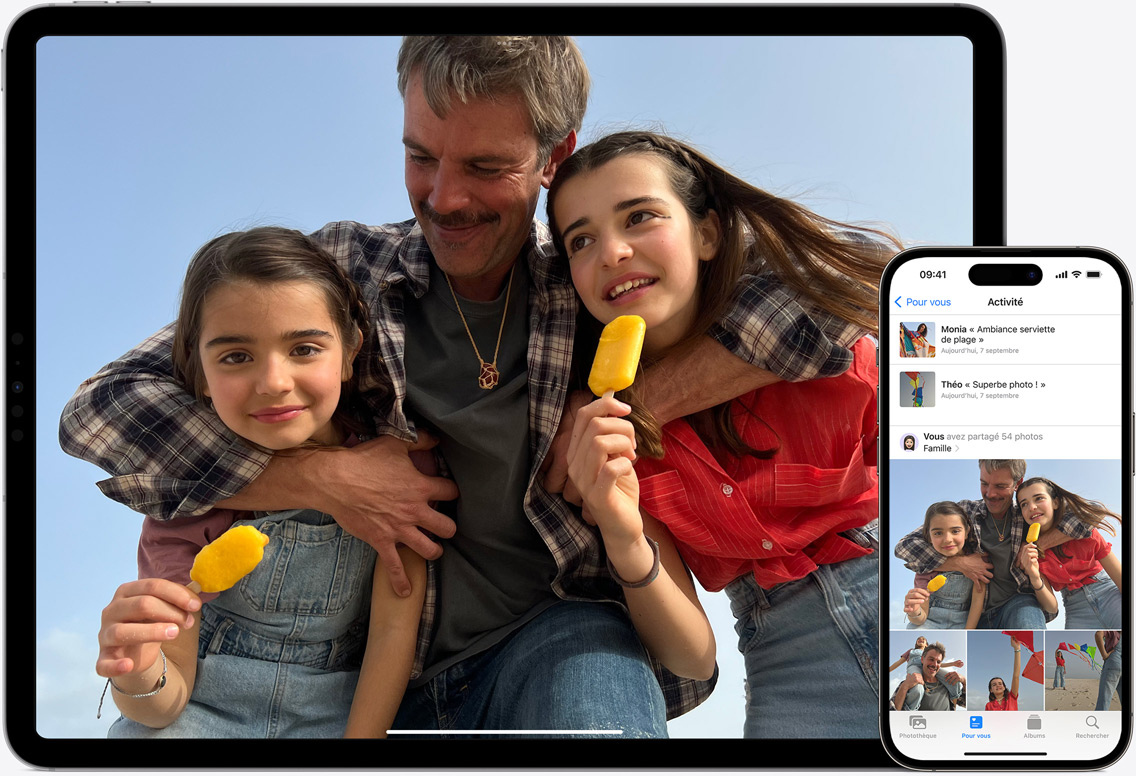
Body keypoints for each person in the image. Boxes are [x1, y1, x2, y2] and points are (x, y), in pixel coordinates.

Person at [61, 37, 872, 736]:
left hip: (553, 633)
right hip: (359, 664)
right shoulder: (347, 273)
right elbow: (100, 410)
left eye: (486, 166)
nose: (443, 198)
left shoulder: (594, 279)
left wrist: (646, 399)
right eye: (420, 156)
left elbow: (837, 299)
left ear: (556, 158)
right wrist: (323, 478)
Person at [547, 130, 895, 738]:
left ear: (706, 234)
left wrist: (648, 397)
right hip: (786, 659)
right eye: (581, 239)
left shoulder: (817, 341)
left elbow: (873, 278)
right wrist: (623, 532)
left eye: (640, 217)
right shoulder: (608, 441)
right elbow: (693, 659)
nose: (613, 252)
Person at [95, 227, 425, 738]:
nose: (273, 381)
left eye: (305, 349)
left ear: (351, 350)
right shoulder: (188, 497)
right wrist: (139, 674)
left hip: (341, 720)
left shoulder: (396, 475)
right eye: (235, 357)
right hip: (201, 715)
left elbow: (392, 632)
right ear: (200, 375)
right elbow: (166, 698)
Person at [894, 460, 1095, 629]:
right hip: (972, 610)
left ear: (1018, 483)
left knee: (1028, 626)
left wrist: (1039, 542)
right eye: (984, 484)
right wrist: (960, 563)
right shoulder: (966, 511)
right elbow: (905, 547)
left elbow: (1089, 516)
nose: (990, 493)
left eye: (1000, 486)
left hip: (1017, 602)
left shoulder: (1027, 514)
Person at [1016, 477, 1123, 629]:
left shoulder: (1084, 533)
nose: (1031, 507)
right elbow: (1052, 607)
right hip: (1075, 608)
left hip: (1108, 593)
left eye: (1038, 498)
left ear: (1055, 502)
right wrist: (1034, 576)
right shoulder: (1030, 552)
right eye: (1024, 504)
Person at [902, 502, 985, 630]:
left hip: (964, 622)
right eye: (938, 533)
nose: (947, 539)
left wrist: (968, 631)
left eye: (955, 531)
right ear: (929, 536)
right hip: (930, 621)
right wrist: (914, 612)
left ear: (967, 531)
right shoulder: (926, 568)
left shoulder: (977, 563)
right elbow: (921, 617)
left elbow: (977, 601)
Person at [888, 636, 963, 711]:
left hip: (929, 667)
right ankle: (910, 711)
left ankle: (953, 709)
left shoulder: (931, 655)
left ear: (926, 645)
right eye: (918, 639)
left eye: (923, 639)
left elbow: (938, 664)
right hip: (915, 667)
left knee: (952, 679)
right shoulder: (911, 651)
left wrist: (953, 663)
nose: (921, 639)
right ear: (922, 659)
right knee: (917, 689)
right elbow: (899, 662)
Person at [985, 635, 1022, 711]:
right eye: (994, 685)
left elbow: (1016, 676)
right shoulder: (989, 706)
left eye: (1000, 683)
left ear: (1004, 687)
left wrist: (1017, 648)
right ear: (991, 690)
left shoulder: (1012, 697)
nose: (998, 686)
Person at [1095, 630, 1122, 711]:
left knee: (1104, 700)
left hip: (1114, 662)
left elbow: (1098, 634)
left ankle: (1100, 721)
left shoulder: (1112, 629)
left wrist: (1104, 655)